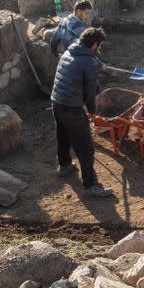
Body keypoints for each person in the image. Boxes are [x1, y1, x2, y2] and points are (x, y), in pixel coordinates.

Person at [51, 27, 114, 198]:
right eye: (99, 46)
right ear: (93, 45)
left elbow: (82, 70)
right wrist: (93, 113)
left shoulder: (69, 51)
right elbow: (90, 92)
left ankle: (64, 166)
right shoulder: (88, 63)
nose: (100, 49)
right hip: (72, 107)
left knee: (62, 134)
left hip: (57, 102)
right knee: (85, 146)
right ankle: (91, 185)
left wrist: (98, 64)